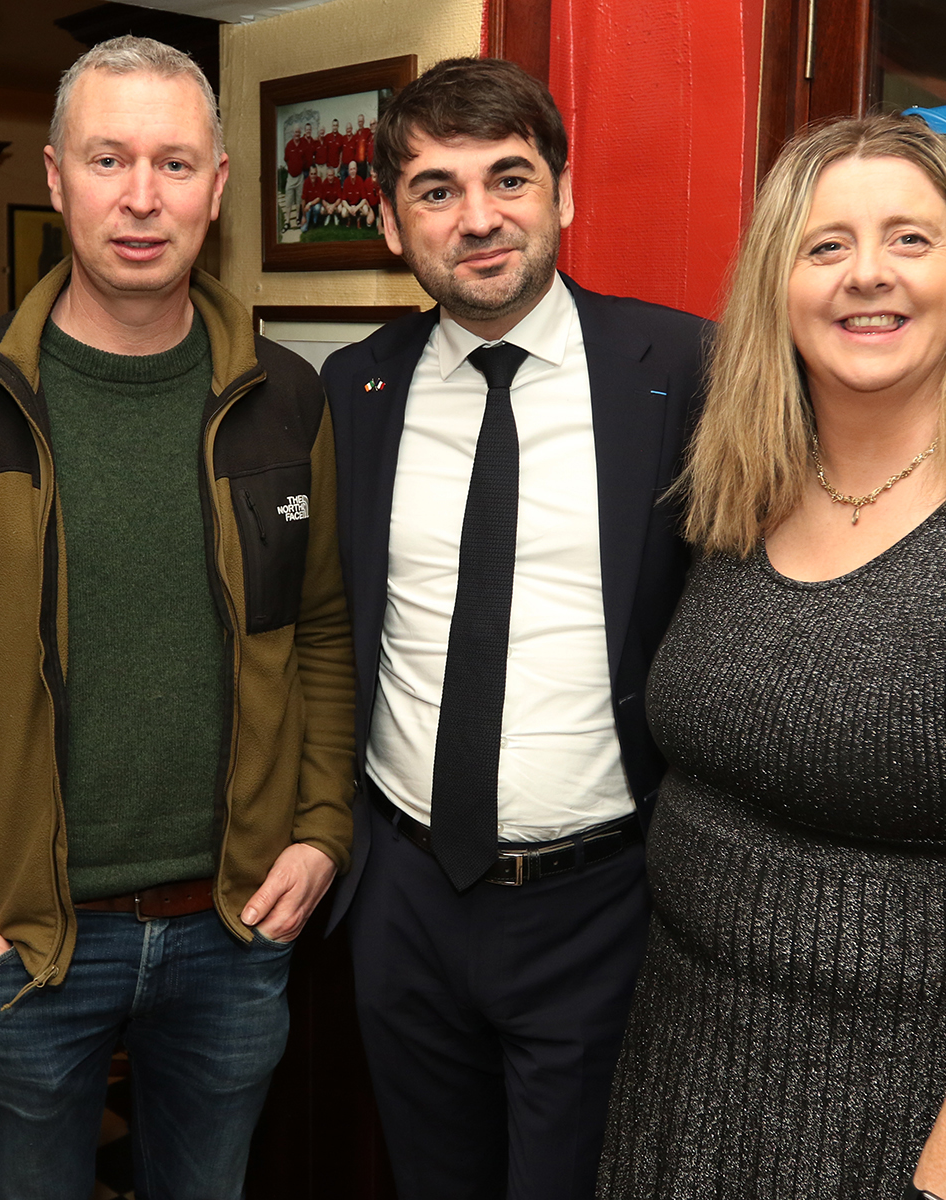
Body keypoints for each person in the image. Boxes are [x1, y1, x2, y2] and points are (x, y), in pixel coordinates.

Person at [0, 34, 355, 1200]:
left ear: (221, 188)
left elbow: (323, 630)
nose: (142, 197)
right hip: (25, 944)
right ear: (54, 176)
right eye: (109, 159)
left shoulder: (287, 398)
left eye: (176, 164)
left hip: (234, 929)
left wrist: (321, 829)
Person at [597, 113, 946, 1200]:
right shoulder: (741, 492)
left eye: (911, 239)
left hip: (912, 1128)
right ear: (778, 284)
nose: (869, 275)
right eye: (826, 246)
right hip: (690, 1083)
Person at [320, 57, 710, 1200]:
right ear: (395, 224)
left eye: (509, 178)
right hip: (402, 897)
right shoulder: (355, 389)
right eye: (437, 190)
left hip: (601, 903)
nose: (479, 218)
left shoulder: (684, 368)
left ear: (563, 194)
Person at [283, 122, 309, 231]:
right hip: (291, 177)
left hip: (300, 177)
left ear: (300, 132)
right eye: (295, 132)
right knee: (288, 200)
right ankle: (287, 221)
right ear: (292, 133)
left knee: (299, 200)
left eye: (298, 132)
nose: (297, 134)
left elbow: (306, 159)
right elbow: (286, 159)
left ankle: (297, 220)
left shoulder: (303, 144)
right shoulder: (289, 145)